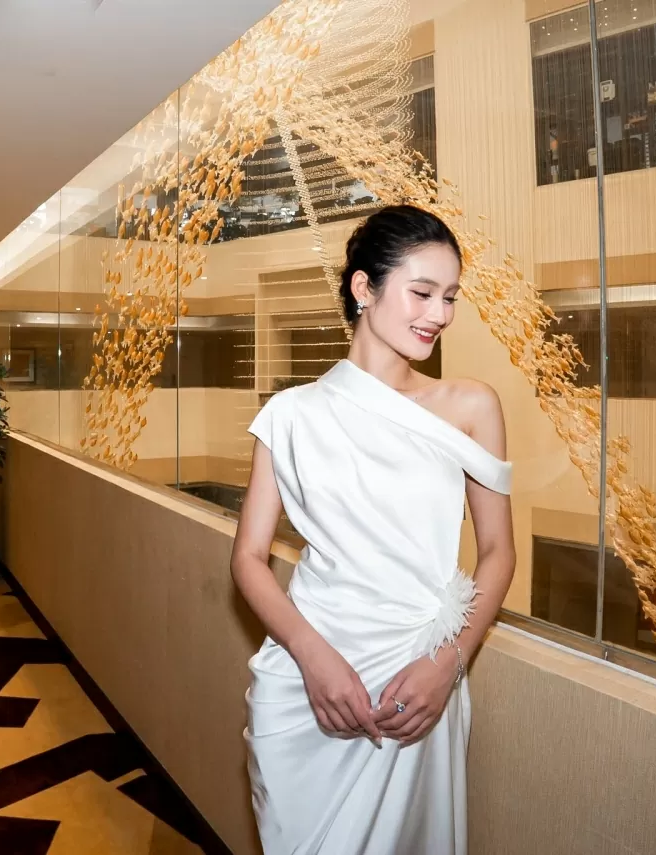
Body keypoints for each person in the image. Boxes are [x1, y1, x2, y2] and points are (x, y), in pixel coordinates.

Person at [230, 204, 516, 854]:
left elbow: (499, 553)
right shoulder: (289, 415)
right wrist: (312, 655)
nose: (440, 314)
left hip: (416, 682)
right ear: (364, 287)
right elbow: (248, 557)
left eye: (450, 297)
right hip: (309, 686)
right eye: (422, 292)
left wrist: (448, 664)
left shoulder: (471, 406)